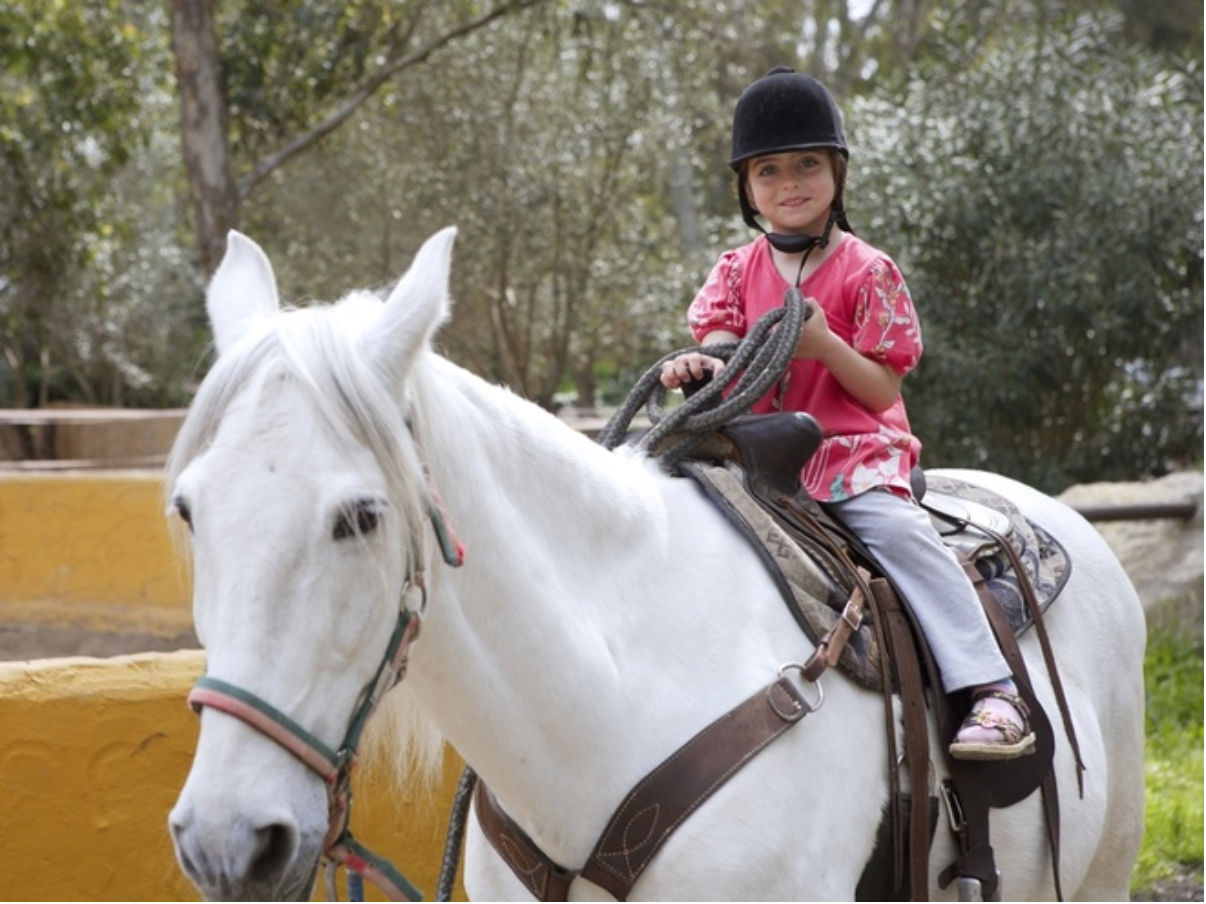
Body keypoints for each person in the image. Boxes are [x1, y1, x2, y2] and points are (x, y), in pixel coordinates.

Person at [660, 66, 1034, 761]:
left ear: (837, 172)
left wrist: (826, 346)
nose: (789, 183)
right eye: (767, 171)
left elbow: (882, 389)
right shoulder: (736, 272)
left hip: (848, 452)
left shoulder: (868, 272)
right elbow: (721, 351)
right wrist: (700, 366)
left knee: (899, 536)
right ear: (746, 188)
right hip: (755, 454)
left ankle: (993, 688)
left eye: (807, 165)